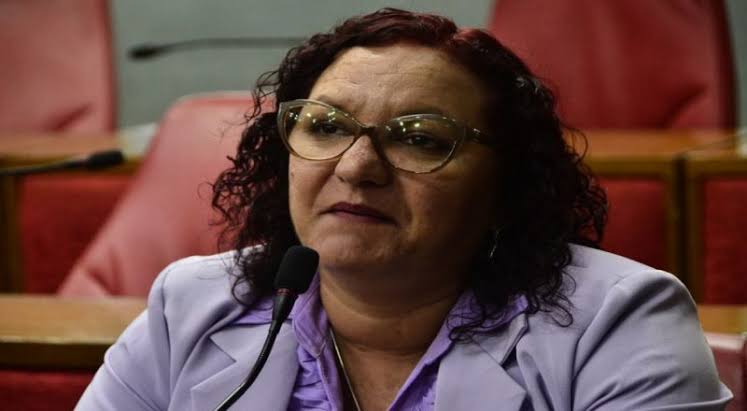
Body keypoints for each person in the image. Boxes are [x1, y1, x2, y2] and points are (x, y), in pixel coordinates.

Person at [76, 8, 731, 411]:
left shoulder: (618, 322)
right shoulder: (188, 305)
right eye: (326, 127)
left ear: (505, 185)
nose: (356, 167)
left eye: (419, 139)